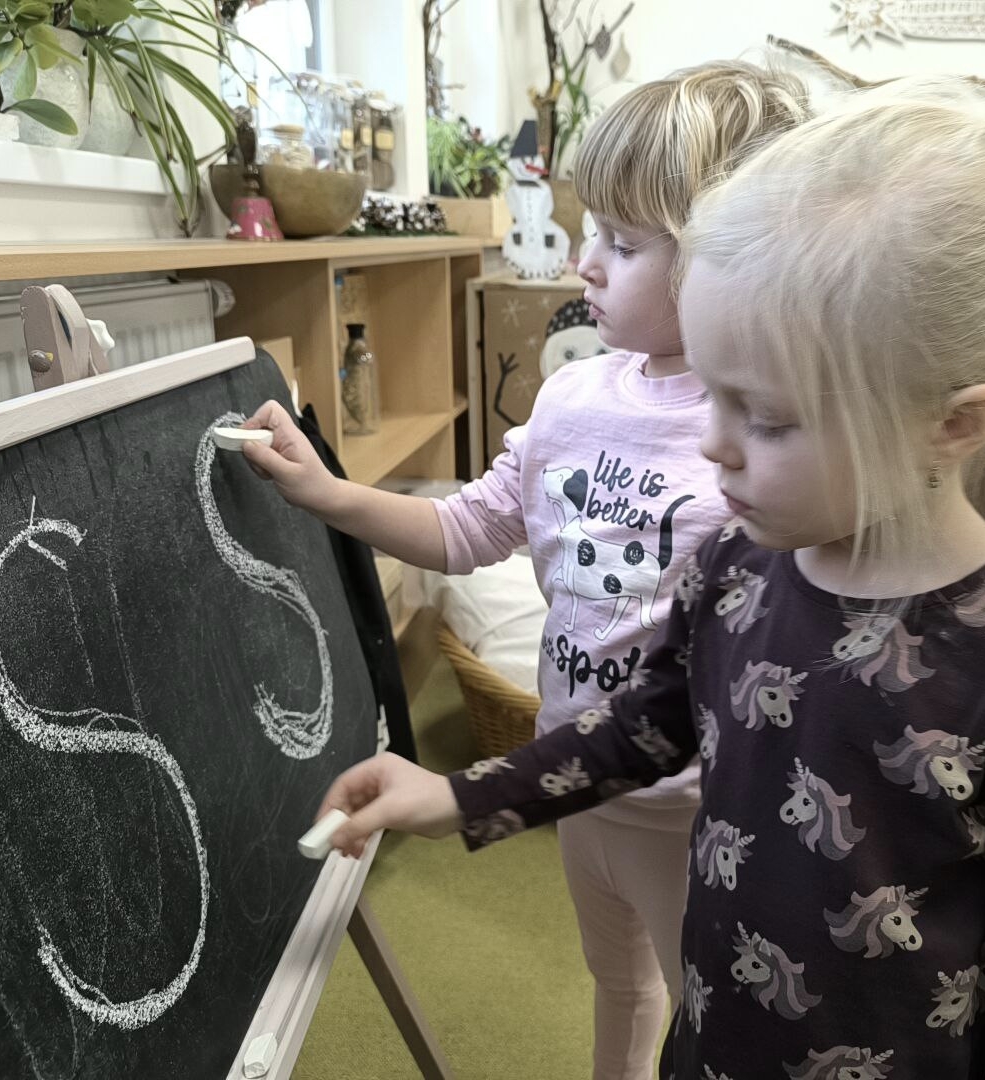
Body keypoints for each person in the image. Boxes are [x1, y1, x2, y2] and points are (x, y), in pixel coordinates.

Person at [315, 91, 985, 1080]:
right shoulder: (735, 566)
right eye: (715, 396)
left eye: (764, 418)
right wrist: (457, 794)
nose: (712, 445)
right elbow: (637, 731)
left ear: (953, 425)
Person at [241, 62, 810, 1080]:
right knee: (618, 981)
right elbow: (467, 527)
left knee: (712, 1017)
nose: (583, 264)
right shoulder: (572, 399)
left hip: (698, 806)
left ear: (734, 258)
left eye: (622, 244)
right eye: (590, 231)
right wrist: (327, 494)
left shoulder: (763, 433)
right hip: (571, 776)